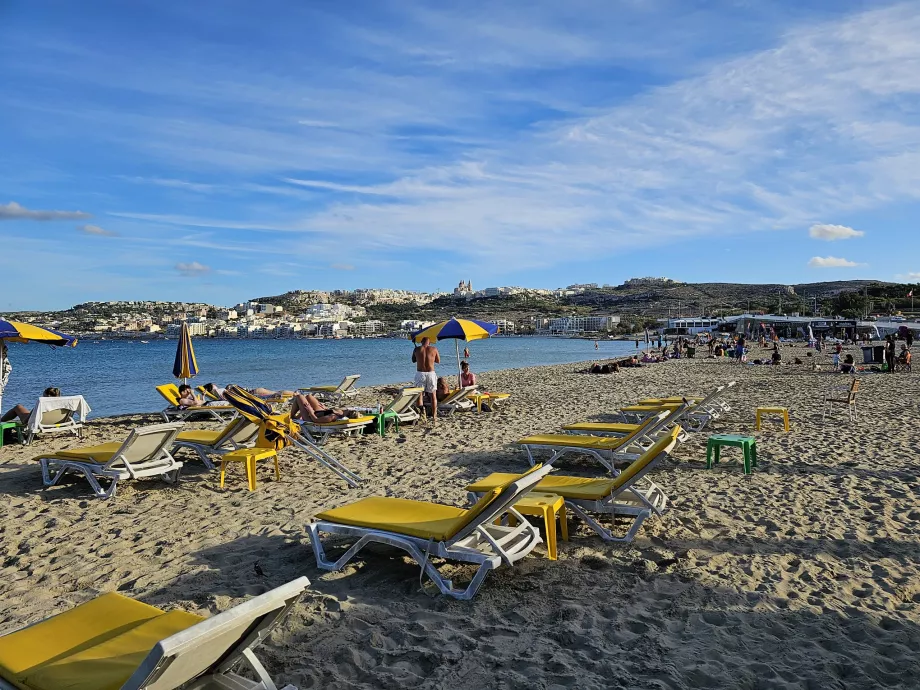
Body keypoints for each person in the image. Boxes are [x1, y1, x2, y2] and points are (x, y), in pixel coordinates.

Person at [412, 337, 440, 422]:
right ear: (429, 343)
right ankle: (434, 416)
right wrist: (430, 358)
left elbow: (413, 360)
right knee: (433, 395)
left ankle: (421, 414)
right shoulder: (434, 349)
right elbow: (438, 361)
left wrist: (417, 353)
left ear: (421, 342)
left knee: (419, 395)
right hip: (431, 373)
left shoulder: (417, 349)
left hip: (420, 373)